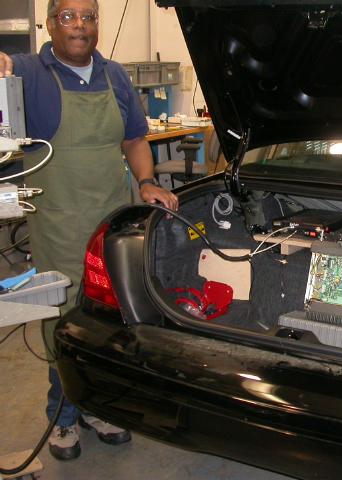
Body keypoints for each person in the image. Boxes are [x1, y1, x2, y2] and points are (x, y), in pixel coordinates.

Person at [0, 0, 178, 461]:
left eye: (88, 16)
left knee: (112, 318)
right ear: (49, 22)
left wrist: (146, 182)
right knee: (63, 321)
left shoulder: (116, 75)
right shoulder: (27, 71)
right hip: (57, 220)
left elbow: (135, 139)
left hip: (111, 218)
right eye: (67, 16)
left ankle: (101, 406)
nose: (79, 25)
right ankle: (62, 417)